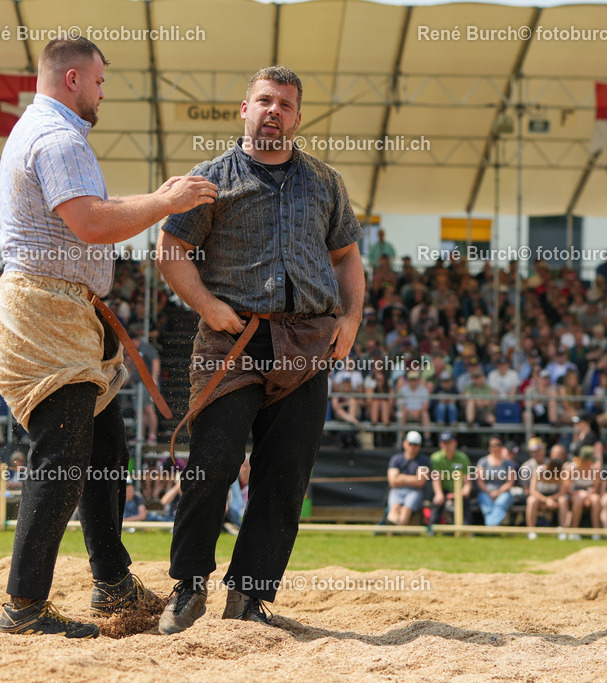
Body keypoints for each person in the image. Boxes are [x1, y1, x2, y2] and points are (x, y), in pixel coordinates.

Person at [0, 37, 214, 639]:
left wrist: (151, 203)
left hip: (63, 310)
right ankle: (25, 605)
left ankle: (111, 579)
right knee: (61, 458)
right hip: (46, 310)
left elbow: (93, 213)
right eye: (99, 82)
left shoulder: (42, 129)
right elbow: (91, 222)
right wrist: (166, 201)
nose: (101, 93)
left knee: (105, 451)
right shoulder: (60, 136)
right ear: (71, 79)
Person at [155, 65, 364, 634]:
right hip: (231, 336)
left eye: (286, 104)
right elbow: (171, 248)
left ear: (297, 117)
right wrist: (206, 308)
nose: (275, 111)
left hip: (308, 340)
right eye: (265, 100)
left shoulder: (325, 182)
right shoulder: (209, 178)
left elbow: (346, 257)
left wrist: (350, 319)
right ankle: (189, 585)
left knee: (285, 473)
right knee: (213, 462)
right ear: (244, 109)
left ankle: (248, 597)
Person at [384, 431, 430, 525]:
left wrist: (400, 477)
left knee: (406, 510)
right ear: (405, 443)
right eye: (410, 444)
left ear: (419, 446)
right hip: (397, 490)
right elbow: (392, 482)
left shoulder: (424, 461)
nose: (412, 447)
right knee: (394, 508)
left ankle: (395, 530)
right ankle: (392, 530)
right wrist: (414, 479)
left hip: (415, 491)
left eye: (415, 444)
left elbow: (420, 482)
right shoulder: (396, 459)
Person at [429, 432, 472, 525]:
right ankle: (432, 529)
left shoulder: (463, 458)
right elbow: (436, 479)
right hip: (443, 490)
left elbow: (467, 482)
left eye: (449, 442)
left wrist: (463, 492)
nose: (447, 446)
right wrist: (439, 494)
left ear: (454, 443)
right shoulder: (436, 458)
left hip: (459, 491)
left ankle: (468, 530)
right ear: (440, 444)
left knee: (465, 504)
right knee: (437, 501)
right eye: (445, 443)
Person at [562, 446, 602, 540]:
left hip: (589, 495)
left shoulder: (595, 469)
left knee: (596, 499)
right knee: (579, 498)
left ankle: (596, 532)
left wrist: (587, 497)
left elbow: (595, 489)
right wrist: (581, 495)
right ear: (584, 459)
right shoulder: (572, 468)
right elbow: (567, 488)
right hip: (573, 495)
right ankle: (574, 531)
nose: (592, 462)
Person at [525, 456, 569, 539]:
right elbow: (532, 491)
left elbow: (562, 492)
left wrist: (551, 499)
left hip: (554, 498)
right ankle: (531, 530)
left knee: (563, 500)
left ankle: (563, 530)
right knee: (531, 501)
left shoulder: (562, 474)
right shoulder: (539, 471)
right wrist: (546, 500)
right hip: (540, 497)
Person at [476, 437, 515, 526]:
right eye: (493, 446)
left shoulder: (509, 463)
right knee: (487, 505)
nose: (495, 448)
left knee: (501, 503)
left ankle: (490, 526)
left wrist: (498, 492)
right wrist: (489, 492)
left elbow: (510, 482)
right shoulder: (482, 462)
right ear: (489, 448)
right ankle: (492, 526)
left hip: (503, 492)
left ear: (502, 447)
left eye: (498, 445)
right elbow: (480, 481)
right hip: (486, 492)